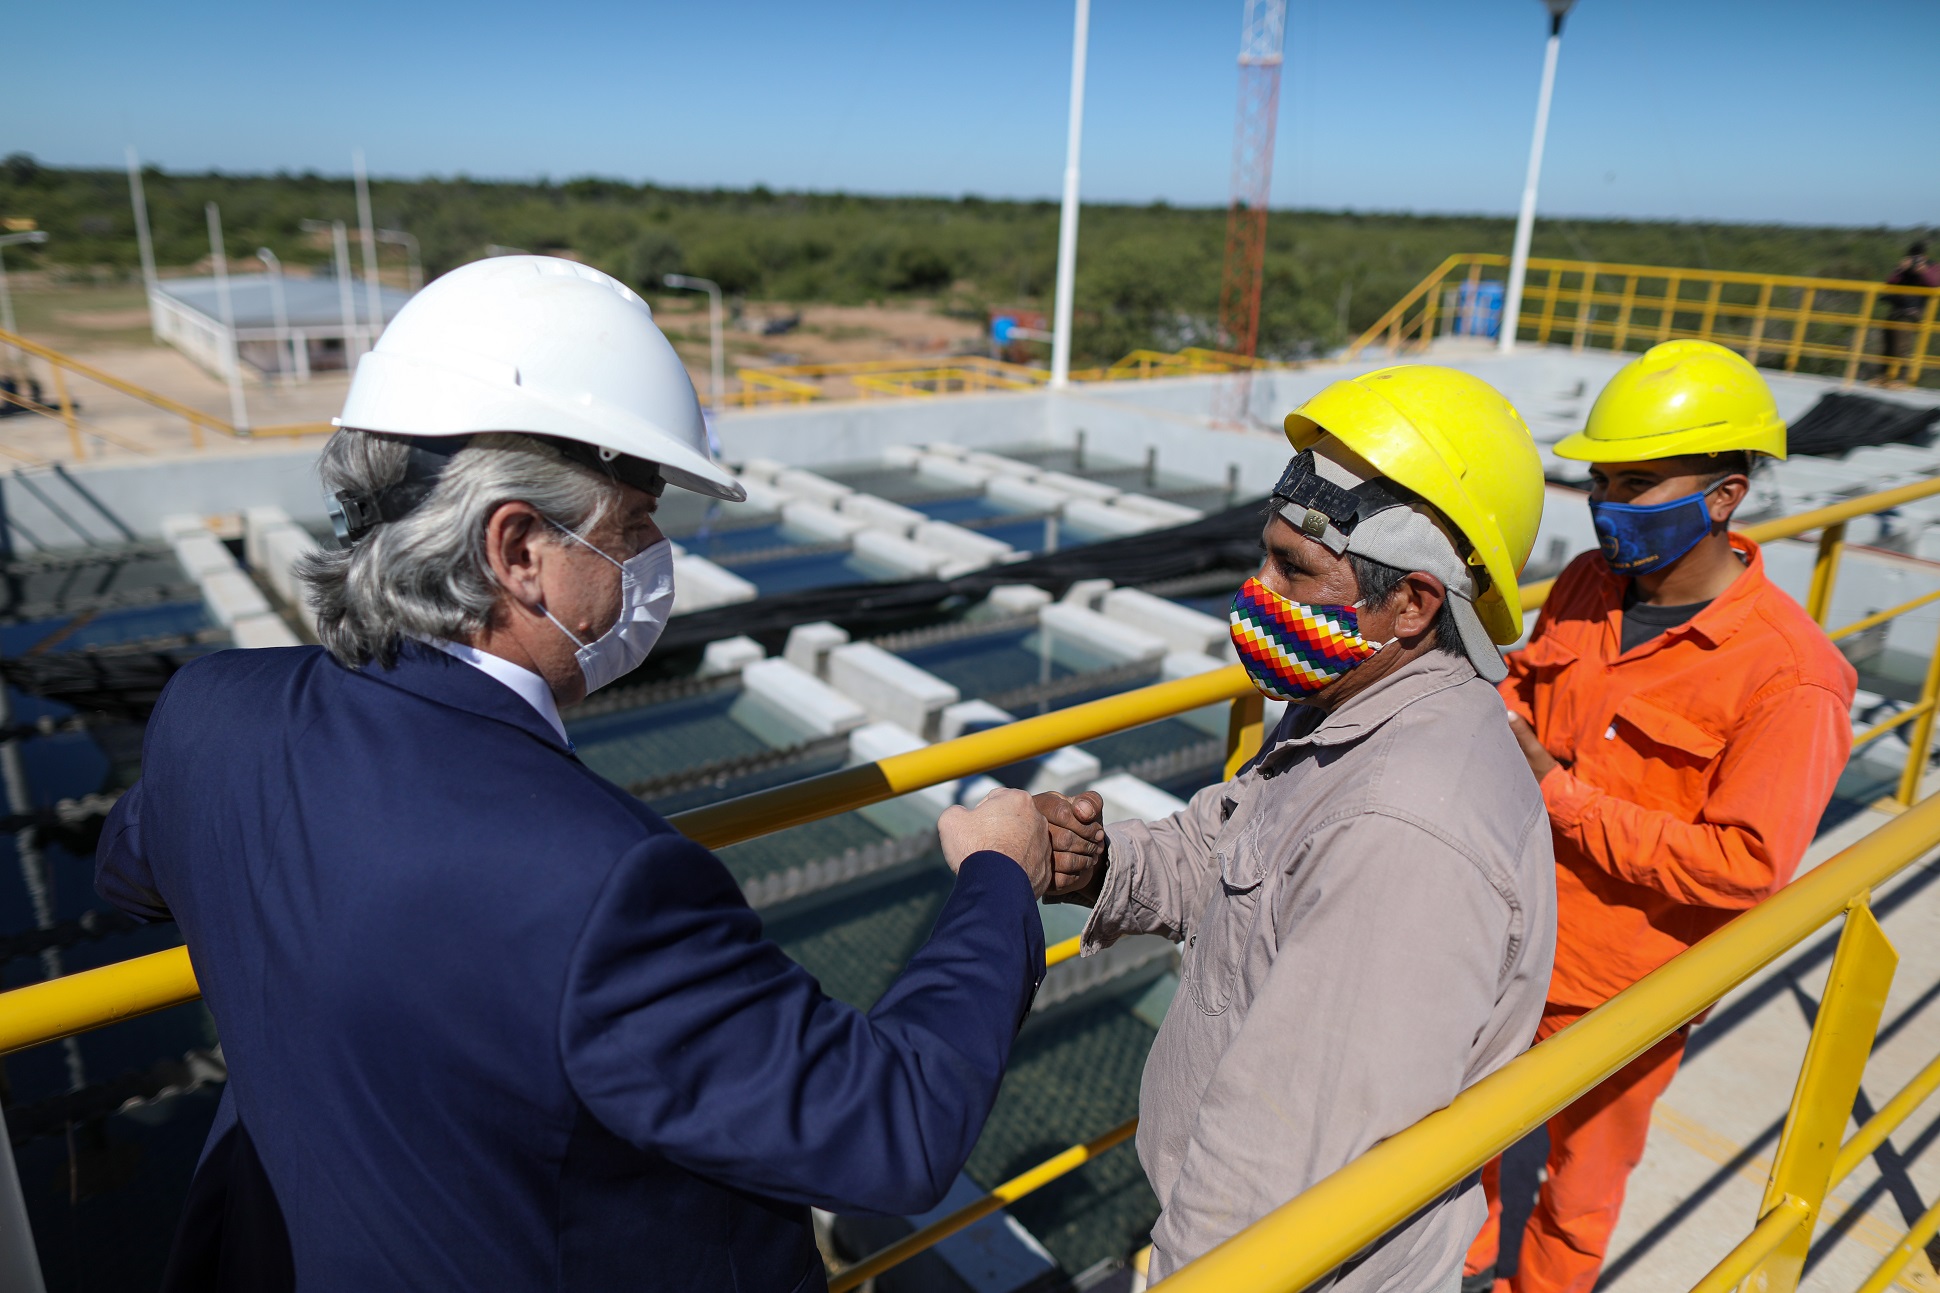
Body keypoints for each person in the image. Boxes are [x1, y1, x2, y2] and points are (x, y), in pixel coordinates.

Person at [95, 256, 1056, 1292]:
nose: (651, 561)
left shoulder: (210, 714)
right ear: (517, 549)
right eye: (634, 526)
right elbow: (890, 1129)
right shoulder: (602, 880)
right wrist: (1001, 876)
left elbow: (133, 871)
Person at [1034, 366, 1558, 1290]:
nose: (1256, 587)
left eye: (1294, 568)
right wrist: (1097, 861)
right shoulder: (1356, 699)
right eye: (1264, 554)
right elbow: (1224, 847)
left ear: (1414, 603)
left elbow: (1276, 1162)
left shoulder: (1403, 830)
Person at [1463, 339, 1859, 1293]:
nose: (1607, 505)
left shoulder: (1791, 675)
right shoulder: (1592, 583)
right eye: (1600, 479)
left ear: (1724, 496)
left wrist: (1556, 790)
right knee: (1453, 1136)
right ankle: (1452, 1266)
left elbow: (1744, 864)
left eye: (1637, 484)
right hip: (1501, 929)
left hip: (1622, 991)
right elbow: (1527, 683)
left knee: (1578, 1188)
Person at [1880, 240, 1940, 385]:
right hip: (1896, 309)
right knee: (1887, 344)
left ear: (1925, 256)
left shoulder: (1933, 267)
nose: (1914, 260)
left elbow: (1934, 283)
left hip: (1912, 312)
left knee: (1902, 346)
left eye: (1918, 257)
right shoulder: (1903, 270)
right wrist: (1900, 269)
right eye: (1912, 257)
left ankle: (1901, 378)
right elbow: (1889, 283)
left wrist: (1922, 270)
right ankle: (1884, 376)